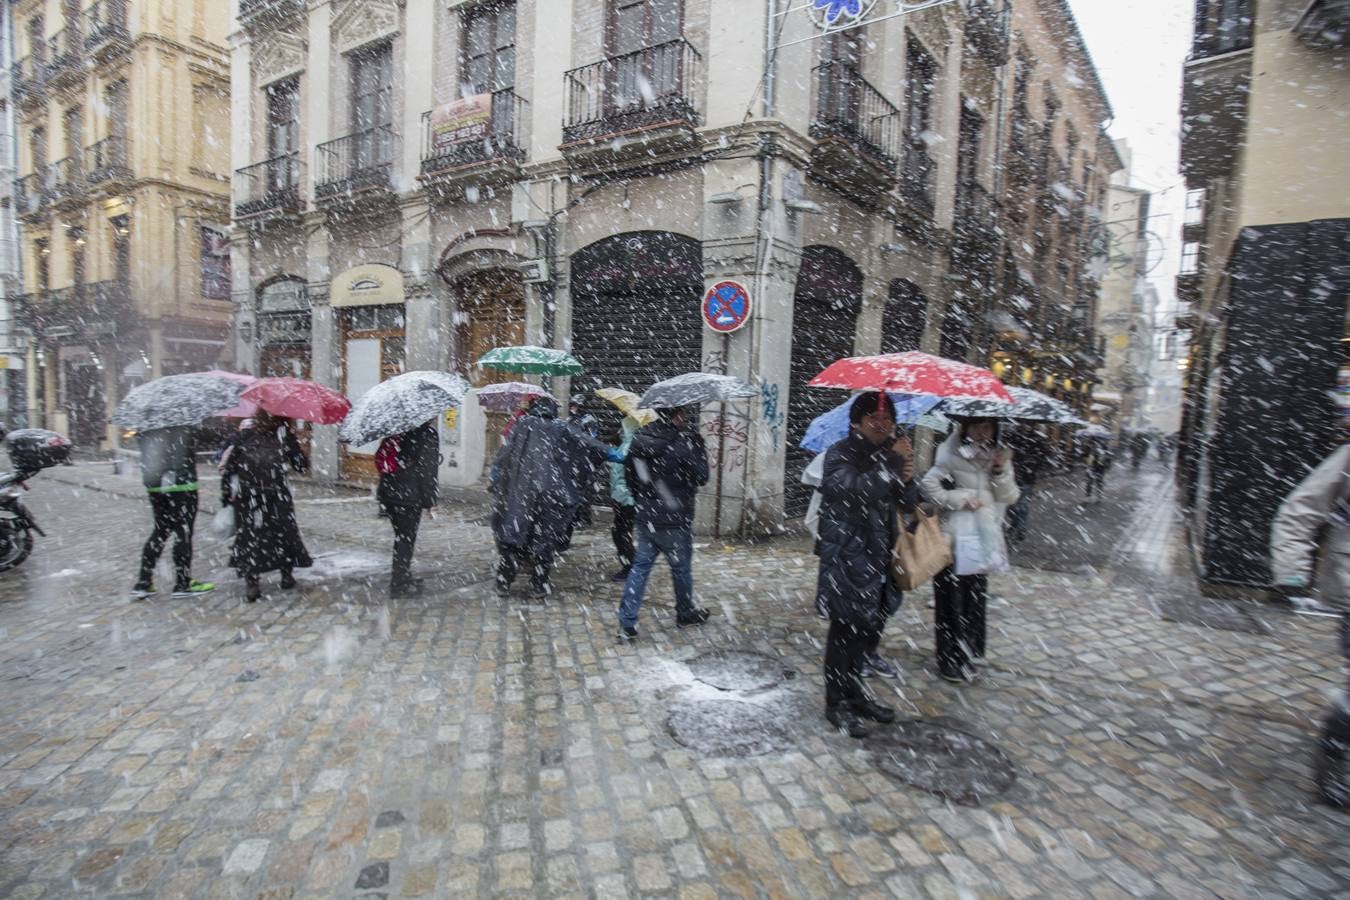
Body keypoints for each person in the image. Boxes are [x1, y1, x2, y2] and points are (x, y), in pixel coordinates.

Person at [814, 392, 926, 738]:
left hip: (879, 559)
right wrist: (892, 465)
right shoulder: (838, 454)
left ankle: (856, 693)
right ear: (856, 422)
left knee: (866, 634)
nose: (882, 424)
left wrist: (906, 479)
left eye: (888, 418)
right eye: (874, 418)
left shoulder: (887, 455)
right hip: (847, 559)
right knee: (843, 634)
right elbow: (854, 492)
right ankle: (837, 703)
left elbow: (909, 504)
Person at [491, 396, 620, 600]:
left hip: (520, 493)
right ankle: (538, 585)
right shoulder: (560, 427)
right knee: (544, 541)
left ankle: (503, 582)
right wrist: (615, 454)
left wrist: (497, 479)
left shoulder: (522, 424)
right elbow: (588, 444)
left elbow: (504, 454)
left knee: (514, 539)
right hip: (549, 494)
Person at [922, 417, 1020, 684]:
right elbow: (929, 486)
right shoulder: (950, 452)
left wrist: (999, 471)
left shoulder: (998, 455)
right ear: (964, 427)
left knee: (974, 599)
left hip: (982, 538)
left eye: (988, 426)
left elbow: (1009, 497)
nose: (982, 432)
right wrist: (960, 498)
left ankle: (970, 651)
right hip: (952, 539)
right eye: (976, 425)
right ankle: (949, 659)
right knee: (950, 602)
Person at [616, 406, 712, 640]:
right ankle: (685, 613)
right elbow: (702, 477)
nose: (686, 418)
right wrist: (698, 448)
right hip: (675, 518)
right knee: (680, 569)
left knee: (640, 568)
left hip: (647, 518)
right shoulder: (685, 442)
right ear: (677, 415)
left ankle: (627, 622)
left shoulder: (640, 439)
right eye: (683, 413)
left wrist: (643, 500)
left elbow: (630, 476)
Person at [221, 412, 312, 602]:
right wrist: (299, 450)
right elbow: (302, 466)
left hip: (248, 495)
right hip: (276, 493)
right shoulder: (283, 435)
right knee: (283, 533)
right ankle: (286, 575)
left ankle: (252, 583)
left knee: (249, 536)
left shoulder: (243, 435)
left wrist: (227, 497)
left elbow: (230, 468)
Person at [132, 425, 215, 599]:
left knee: (160, 530)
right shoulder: (184, 420)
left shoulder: (147, 422)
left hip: (154, 483)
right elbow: (210, 437)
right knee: (182, 531)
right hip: (182, 482)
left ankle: (143, 583)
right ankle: (183, 583)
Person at [376, 419, 441, 598]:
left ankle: (403, 575)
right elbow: (428, 470)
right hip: (408, 496)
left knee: (401, 537)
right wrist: (430, 501)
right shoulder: (427, 434)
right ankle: (399, 583)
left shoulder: (397, 427)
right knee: (405, 540)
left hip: (388, 493)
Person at [1004, 425, 1049, 543]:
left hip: (1026, 477)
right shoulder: (1013, 436)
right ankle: (1018, 526)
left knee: (1021, 504)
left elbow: (1043, 457)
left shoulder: (1036, 439)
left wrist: (1031, 465)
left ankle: (1019, 528)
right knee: (1012, 505)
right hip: (1013, 475)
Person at [608, 415, 639, 582]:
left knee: (621, 534)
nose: (619, 430)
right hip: (623, 499)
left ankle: (629, 567)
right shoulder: (625, 445)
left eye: (623, 427)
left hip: (626, 500)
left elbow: (625, 478)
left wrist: (621, 498)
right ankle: (630, 565)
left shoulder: (628, 448)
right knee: (620, 533)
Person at [1084, 434, 1112, 501]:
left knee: (1090, 482)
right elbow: (1108, 457)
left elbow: (1085, 456)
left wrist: (1088, 459)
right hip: (1099, 467)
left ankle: (1089, 496)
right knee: (1099, 482)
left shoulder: (1090, 446)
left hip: (1093, 467)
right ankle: (1099, 494)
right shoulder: (1104, 446)